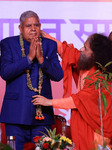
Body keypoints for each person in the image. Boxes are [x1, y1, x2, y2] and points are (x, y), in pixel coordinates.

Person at [32, 33, 112, 150]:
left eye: (85, 48)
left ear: (95, 55)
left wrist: (49, 102)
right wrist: (44, 34)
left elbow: (78, 100)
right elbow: (66, 51)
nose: (81, 49)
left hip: (96, 129)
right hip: (82, 123)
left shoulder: (100, 77)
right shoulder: (86, 62)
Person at [0, 10, 63, 150]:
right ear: (20, 28)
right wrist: (28, 58)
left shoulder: (49, 45)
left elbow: (58, 75)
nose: (33, 29)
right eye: (28, 26)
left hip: (42, 115)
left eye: (36, 25)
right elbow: (5, 73)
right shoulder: (8, 44)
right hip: (15, 115)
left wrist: (41, 59)